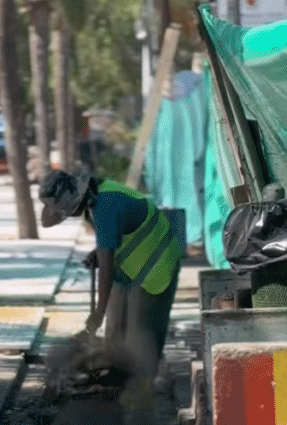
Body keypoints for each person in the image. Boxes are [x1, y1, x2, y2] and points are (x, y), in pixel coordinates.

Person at [38, 169, 183, 400]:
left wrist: (97, 313)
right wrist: (99, 251)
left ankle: (143, 397)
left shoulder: (105, 207)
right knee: (115, 331)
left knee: (142, 334)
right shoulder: (93, 199)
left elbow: (105, 271)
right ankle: (116, 385)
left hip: (157, 264)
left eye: (64, 210)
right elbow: (115, 236)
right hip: (131, 264)